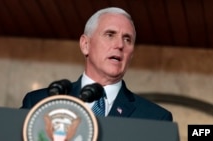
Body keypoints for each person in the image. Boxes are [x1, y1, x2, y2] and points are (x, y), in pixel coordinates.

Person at [21, 7, 172, 121]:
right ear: (85, 44)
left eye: (127, 39)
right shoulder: (38, 103)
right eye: (110, 35)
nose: (120, 45)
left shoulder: (155, 118)